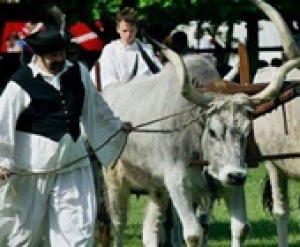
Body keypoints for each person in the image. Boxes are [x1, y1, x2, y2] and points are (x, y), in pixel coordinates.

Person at [0, 25, 133, 247]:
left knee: (77, 234)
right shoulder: (19, 84)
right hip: (32, 170)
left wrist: (116, 127)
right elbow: (2, 123)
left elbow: (96, 107)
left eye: (62, 52)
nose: (60, 58)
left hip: (72, 163)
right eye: (53, 55)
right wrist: (2, 161)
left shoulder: (78, 72)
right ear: (39, 56)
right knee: (23, 235)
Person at [95, 7, 162, 90]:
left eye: (131, 31)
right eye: (125, 31)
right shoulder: (109, 50)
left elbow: (156, 76)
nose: (128, 34)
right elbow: (106, 78)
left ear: (136, 30)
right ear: (118, 29)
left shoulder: (146, 50)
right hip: (116, 96)